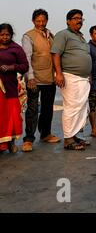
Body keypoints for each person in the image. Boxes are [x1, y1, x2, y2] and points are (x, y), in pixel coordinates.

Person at [51, 9, 92, 150]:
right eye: (75, 18)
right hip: (69, 76)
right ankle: (68, 139)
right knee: (71, 108)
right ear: (68, 20)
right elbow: (55, 54)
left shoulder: (81, 37)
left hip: (83, 78)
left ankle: (74, 135)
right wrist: (59, 74)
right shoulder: (63, 34)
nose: (78, 20)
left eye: (81, 18)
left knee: (81, 108)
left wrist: (88, 74)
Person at [21, 9, 60, 153]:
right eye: (38, 21)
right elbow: (26, 57)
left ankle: (46, 134)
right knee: (32, 109)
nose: (41, 23)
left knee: (47, 108)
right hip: (35, 79)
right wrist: (30, 77)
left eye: (43, 21)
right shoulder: (28, 36)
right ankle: (29, 139)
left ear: (47, 20)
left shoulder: (51, 36)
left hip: (49, 79)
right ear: (33, 21)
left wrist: (57, 74)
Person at [0, 23, 29, 153]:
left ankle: (10, 143)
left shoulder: (16, 49)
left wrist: (11, 67)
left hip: (10, 87)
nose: (5, 37)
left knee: (11, 115)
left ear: (11, 35)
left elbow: (24, 66)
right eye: (2, 35)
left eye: (7, 35)